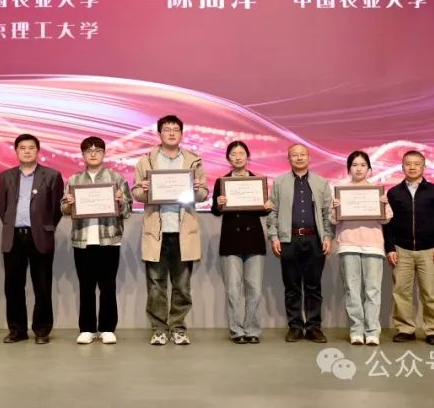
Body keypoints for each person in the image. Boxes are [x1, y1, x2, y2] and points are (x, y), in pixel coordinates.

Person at [131, 115, 208, 346]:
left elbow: (203, 194)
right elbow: (136, 193)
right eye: (167, 129)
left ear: (181, 134)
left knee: (182, 286)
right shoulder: (146, 161)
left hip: (184, 232)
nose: (172, 133)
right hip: (157, 232)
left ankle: (178, 328)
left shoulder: (193, 161)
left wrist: (197, 189)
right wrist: (145, 189)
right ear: (159, 133)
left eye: (176, 129)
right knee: (156, 285)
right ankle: (159, 329)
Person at [60, 136, 132, 345]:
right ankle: (87, 328)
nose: (93, 154)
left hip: (109, 240)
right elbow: (64, 209)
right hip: (82, 240)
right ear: (83, 155)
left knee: (108, 286)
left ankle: (107, 328)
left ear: (104, 153)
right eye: (88, 151)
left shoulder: (116, 178)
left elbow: (127, 210)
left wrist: (120, 201)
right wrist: (69, 204)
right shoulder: (74, 180)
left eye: (97, 150)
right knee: (86, 287)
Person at [0, 133, 64, 344]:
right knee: (13, 287)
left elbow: (56, 209)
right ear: (16, 151)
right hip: (14, 237)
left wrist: (44, 227)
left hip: (40, 237)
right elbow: (2, 208)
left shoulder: (52, 175)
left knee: (42, 287)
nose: (27, 151)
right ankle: (17, 330)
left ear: (38, 150)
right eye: (22, 148)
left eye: (31, 147)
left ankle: (42, 330)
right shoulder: (6, 176)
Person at [266, 143, 334, 343]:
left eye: (302, 154)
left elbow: (327, 213)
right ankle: (295, 327)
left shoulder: (321, 182)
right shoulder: (279, 182)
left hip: (314, 240)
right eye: (294, 155)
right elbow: (273, 212)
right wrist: (274, 237)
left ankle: (314, 328)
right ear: (289, 159)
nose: (299, 158)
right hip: (289, 240)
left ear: (309, 157)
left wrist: (327, 236)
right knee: (292, 287)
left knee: (314, 287)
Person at [385, 150, 434, 345]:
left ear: (423, 167)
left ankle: (432, 330)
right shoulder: (393, 193)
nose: (412, 167)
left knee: (431, 293)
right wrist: (390, 248)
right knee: (401, 292)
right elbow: (388, 224)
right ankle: (405, 329)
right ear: (402, 167)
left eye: (416, 164)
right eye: (408, 164)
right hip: (401, 249)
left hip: (429, 250)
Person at [210, 140, 272, 344]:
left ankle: (252, 330)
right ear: (228, 158)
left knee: (255, 289)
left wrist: (267, 206)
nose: (237, 157)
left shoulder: (257, 181)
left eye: (241, 153)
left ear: (248, 156)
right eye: (233, 154)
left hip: (253, 240)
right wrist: (219, 203)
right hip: (231, 241)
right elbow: (215, 211)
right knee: (233, 290)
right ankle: (237, 331)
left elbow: (262, 211)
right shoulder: (222, 182)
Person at [330, 150, 392, 346]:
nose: (358, 169)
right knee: (352, 290)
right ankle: (356, 330)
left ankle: (372, 331)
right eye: (355, 165)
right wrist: (336, 207)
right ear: (349, 169)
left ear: (369, 169)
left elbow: (386, 219)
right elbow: (333, 220)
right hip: (348, 244)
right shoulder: (340, 191)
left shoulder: (377, 192)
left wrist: (384, 204)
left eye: (363, 165)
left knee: (373, 290)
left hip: (373, 245)